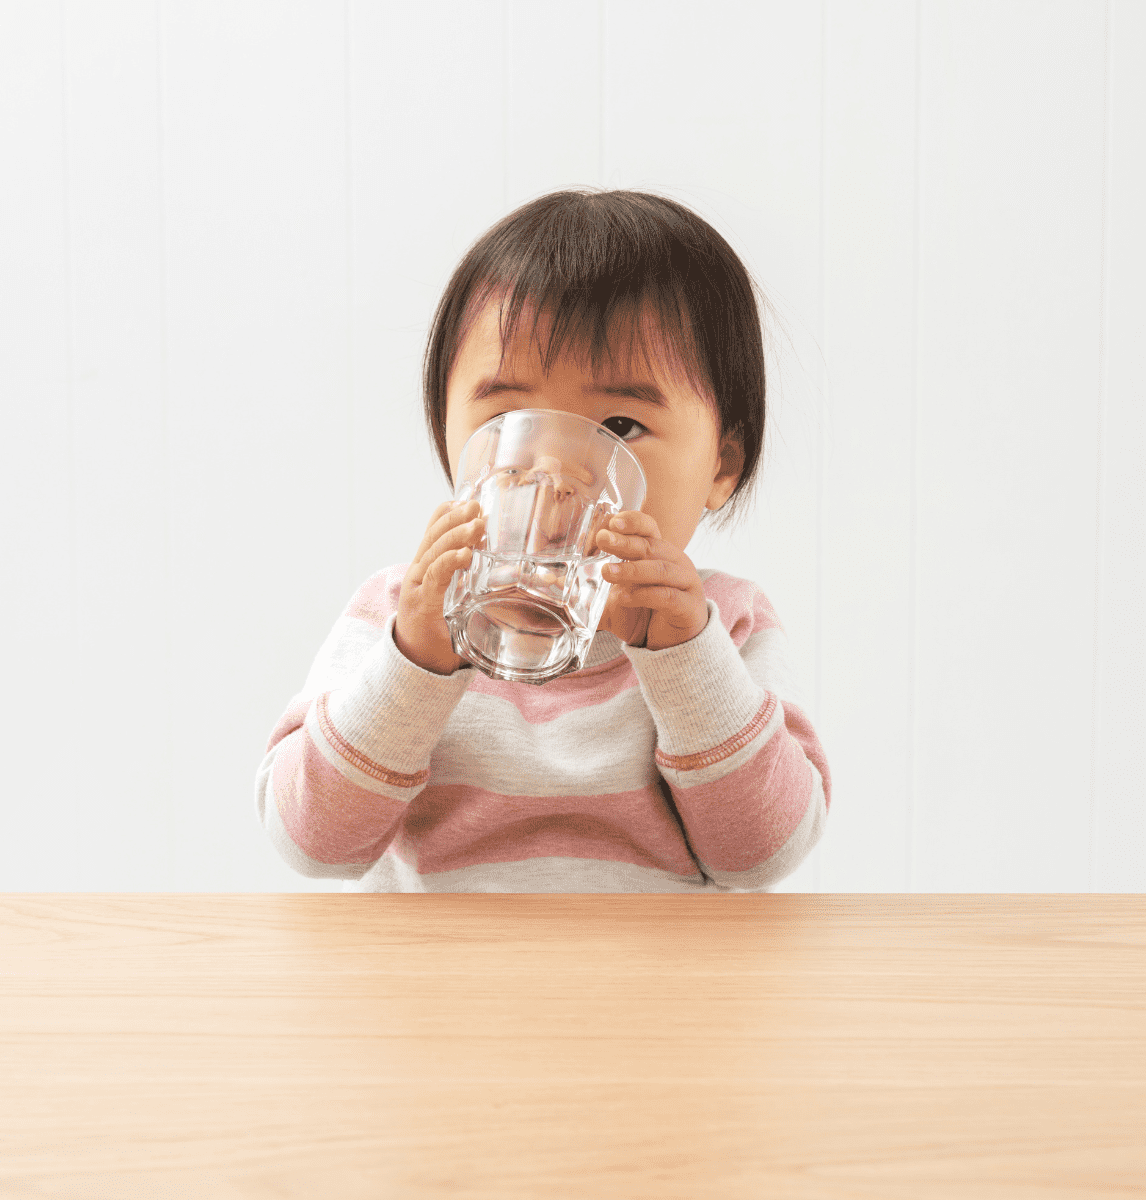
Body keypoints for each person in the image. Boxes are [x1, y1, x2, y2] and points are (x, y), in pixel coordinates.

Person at [255, 188, 831, 892]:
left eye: (619, 427)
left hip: (658, 996)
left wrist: (683, 659)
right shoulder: (400, 614)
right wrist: (416, 662)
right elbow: (313, 844)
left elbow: (762, 856)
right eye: (512, 415)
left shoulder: (727, 629)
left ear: (722, 466)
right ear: (448, 431)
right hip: (433, 993)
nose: (556, 471)